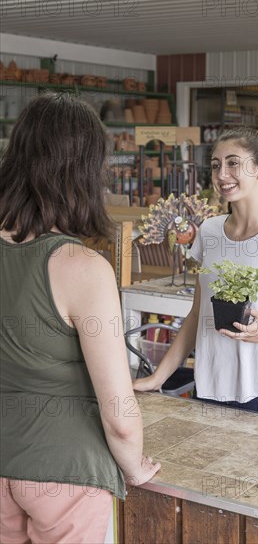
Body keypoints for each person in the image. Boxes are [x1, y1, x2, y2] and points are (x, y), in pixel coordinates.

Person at [0, 93, 160, 544]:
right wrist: (134, 464)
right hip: (66, 471)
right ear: (85, 171)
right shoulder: (82, 268)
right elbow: (119, 412)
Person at [134, 127, 258, 418]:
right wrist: (157, 378)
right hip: (210, 390)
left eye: (233, 163)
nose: (222, 174)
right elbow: (197, 315)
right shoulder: (209, 232)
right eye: (215, 165)